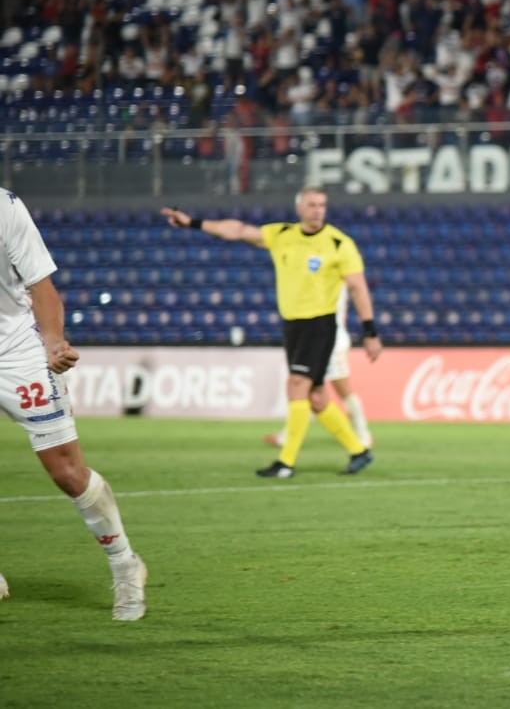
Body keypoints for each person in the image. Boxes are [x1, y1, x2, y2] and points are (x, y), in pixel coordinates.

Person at [162, 188, 380, 478]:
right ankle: (358, 450)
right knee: (315, 397)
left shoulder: (340, 243)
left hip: (320, 324)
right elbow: (237, 230)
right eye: (312, 205)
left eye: (322, 205)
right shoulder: (282, 234)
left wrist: (370, 331)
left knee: (297, 384)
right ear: (299, 207)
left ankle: (286, 462)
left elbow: (358, 287)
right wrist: (193, 223)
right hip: (293, 325)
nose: (318, 210)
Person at [1, 187, 146, 620]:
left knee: (66, 470)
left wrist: (53, 342)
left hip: (16, 350)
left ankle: (125, 564)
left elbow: (40, 283)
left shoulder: (5, 208)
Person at [263, 285, 372, 451]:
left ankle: (363, 436)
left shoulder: (330, 276)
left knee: (342, 389)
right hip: (321, 338)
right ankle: (288, 436)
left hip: (331, 339)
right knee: (306, 390)